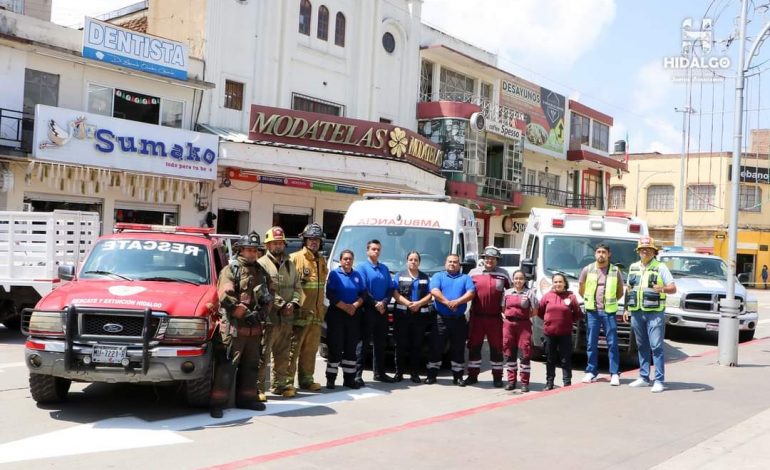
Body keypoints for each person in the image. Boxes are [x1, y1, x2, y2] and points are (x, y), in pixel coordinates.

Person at [209, 231, 272, 418]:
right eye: (249, 250)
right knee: (227, 366)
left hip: (254, 330)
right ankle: (217, 403)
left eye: (255, 250)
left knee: (251, 366)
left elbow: (270, 295)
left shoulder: (262, 271)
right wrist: (244, 312)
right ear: (241, 250)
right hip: (235, 329)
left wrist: (261, 312)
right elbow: (225, 297)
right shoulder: (230, 270)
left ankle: (247, 399)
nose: (253, 253)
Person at [622, 237, 676, 393]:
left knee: (656, 346)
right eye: (642, 249)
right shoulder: (633, 267)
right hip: (637, 311)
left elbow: (673, 288)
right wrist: (626, 308)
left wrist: (663, 289)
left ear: (654, 251)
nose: (644, 251)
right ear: (638, 251)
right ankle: (644, 377)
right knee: (641, 346)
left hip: (654, 312)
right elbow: (629, 289)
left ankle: (659, 380)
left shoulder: (661, 267)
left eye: (648, 249)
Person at [257, 226, 302, 400]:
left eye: (280, 243)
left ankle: (280, 385)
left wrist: (294, 303)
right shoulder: (261, 264)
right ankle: (258, 388)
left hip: (287, 318)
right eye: (274, 243)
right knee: (263, 355)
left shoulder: (290, 264)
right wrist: (282, 304)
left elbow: (298, 287)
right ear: (268, 245)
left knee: (283, 354)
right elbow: (262, 290)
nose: (278, 246)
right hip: (270, 317)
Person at [288, 223, 329, 392]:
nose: (314, 242)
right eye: (311, 239)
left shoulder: (321, 260)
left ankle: (306, 380)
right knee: (292, 350)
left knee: (310, 350)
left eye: (317, 240)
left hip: (316, 314)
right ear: (304, 240)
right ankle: (286, 383)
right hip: (299, 314)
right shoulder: (295, 259)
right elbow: (288, 287)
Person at [425, 254, 476, 385]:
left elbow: (471, 293)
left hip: (458, 320)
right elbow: (434, 291)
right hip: (441, 319)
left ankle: (458, 377)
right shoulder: (438, 276)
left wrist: (457, 302)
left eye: (455, 262)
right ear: (445, 263)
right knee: (436, 347)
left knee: (458, 349)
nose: (452, 264)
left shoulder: (465, 278)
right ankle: (431, 376)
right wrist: (448, 302)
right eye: (450, 262)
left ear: (459, 265)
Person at [578, 243, 625, 386]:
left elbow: (620, 292)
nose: (601, 255)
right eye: (598, 252)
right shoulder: (588, 269)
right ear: (595, 254)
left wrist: (609, 303)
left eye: (604, 252)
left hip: (609, 312)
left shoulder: (615, 270)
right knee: (591, 343)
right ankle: (591, 371)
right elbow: (582, 289)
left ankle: (614, 373)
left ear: (609, 254)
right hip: (592, 312)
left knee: (612, 343)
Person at [466, 246, 510, 387]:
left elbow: (512, 293)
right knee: (474, 346)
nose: (489, 260)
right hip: (477, 317)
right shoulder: (473, 273)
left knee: (497, 348)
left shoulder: (503, 274)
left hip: (495, 318)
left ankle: (497, 377)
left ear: (497, 260)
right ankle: (472, 376)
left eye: (493, 258)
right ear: (483, 258)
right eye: (487, 258)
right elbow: (464, 291)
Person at [355, 239, 395, 385]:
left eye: (378, 249)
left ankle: (379, 373)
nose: (376, 252)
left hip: (382, 311)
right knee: (363, 343)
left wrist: (384, 302)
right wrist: (375, 303)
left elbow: (390, 288)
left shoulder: (384, 268)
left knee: (380, 343)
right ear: (367, 251)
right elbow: (363, 289)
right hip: (368, 310)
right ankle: (357, 375)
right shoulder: (362, 268)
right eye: (373, 249)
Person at [325, 249, 366, 389]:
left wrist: (354, 305)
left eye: (350, 259)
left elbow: (363, 294)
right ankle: (331, 379)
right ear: (341, 261)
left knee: (350, 348)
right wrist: (344, 307)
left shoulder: (357, 275)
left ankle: (349, 379)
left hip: (353, 316)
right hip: (337, 315)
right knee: (335, 347)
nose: (348, 261)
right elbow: (330, 293)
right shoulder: (335, 274)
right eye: (345, 259)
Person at [391, 251, 433, 383]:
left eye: (415, 260)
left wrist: (419, 304)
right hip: (402, 315)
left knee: (417, 345)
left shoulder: (425, 277)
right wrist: (408, 303)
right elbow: (395, 293)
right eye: (411, 259)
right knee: (400, 345)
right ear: (406, 261)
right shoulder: (399, 275)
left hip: (419, 316)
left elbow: (430, 294)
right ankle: (399, 373)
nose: (413, 262)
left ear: (419, 262)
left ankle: (414, 373)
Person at [537, 272, 582, 391]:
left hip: (565, 334)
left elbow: (577, 313)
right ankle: (549, 383)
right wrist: (549, 321)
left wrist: (567, 320)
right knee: (550, 359)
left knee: (565, 359)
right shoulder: (547, 296)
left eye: (560, 282)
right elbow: (540, 311)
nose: (558, 284)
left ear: (564, 283)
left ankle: (567, 383)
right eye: (555, 282)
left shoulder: (571, 297)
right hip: (549, 333)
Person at [501, 270, 538, 392]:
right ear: (512, 280)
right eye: (516, 278)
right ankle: (511, 381)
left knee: (525, 353)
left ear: (525, 280)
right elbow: (503, 307)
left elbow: (535, 310)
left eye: (521, 278)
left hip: (524, 325)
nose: (518, 281)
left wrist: (524, 317)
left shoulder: (529, 293)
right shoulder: (507, 293)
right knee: (509, 352)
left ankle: (524, 383)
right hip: (509, 325)